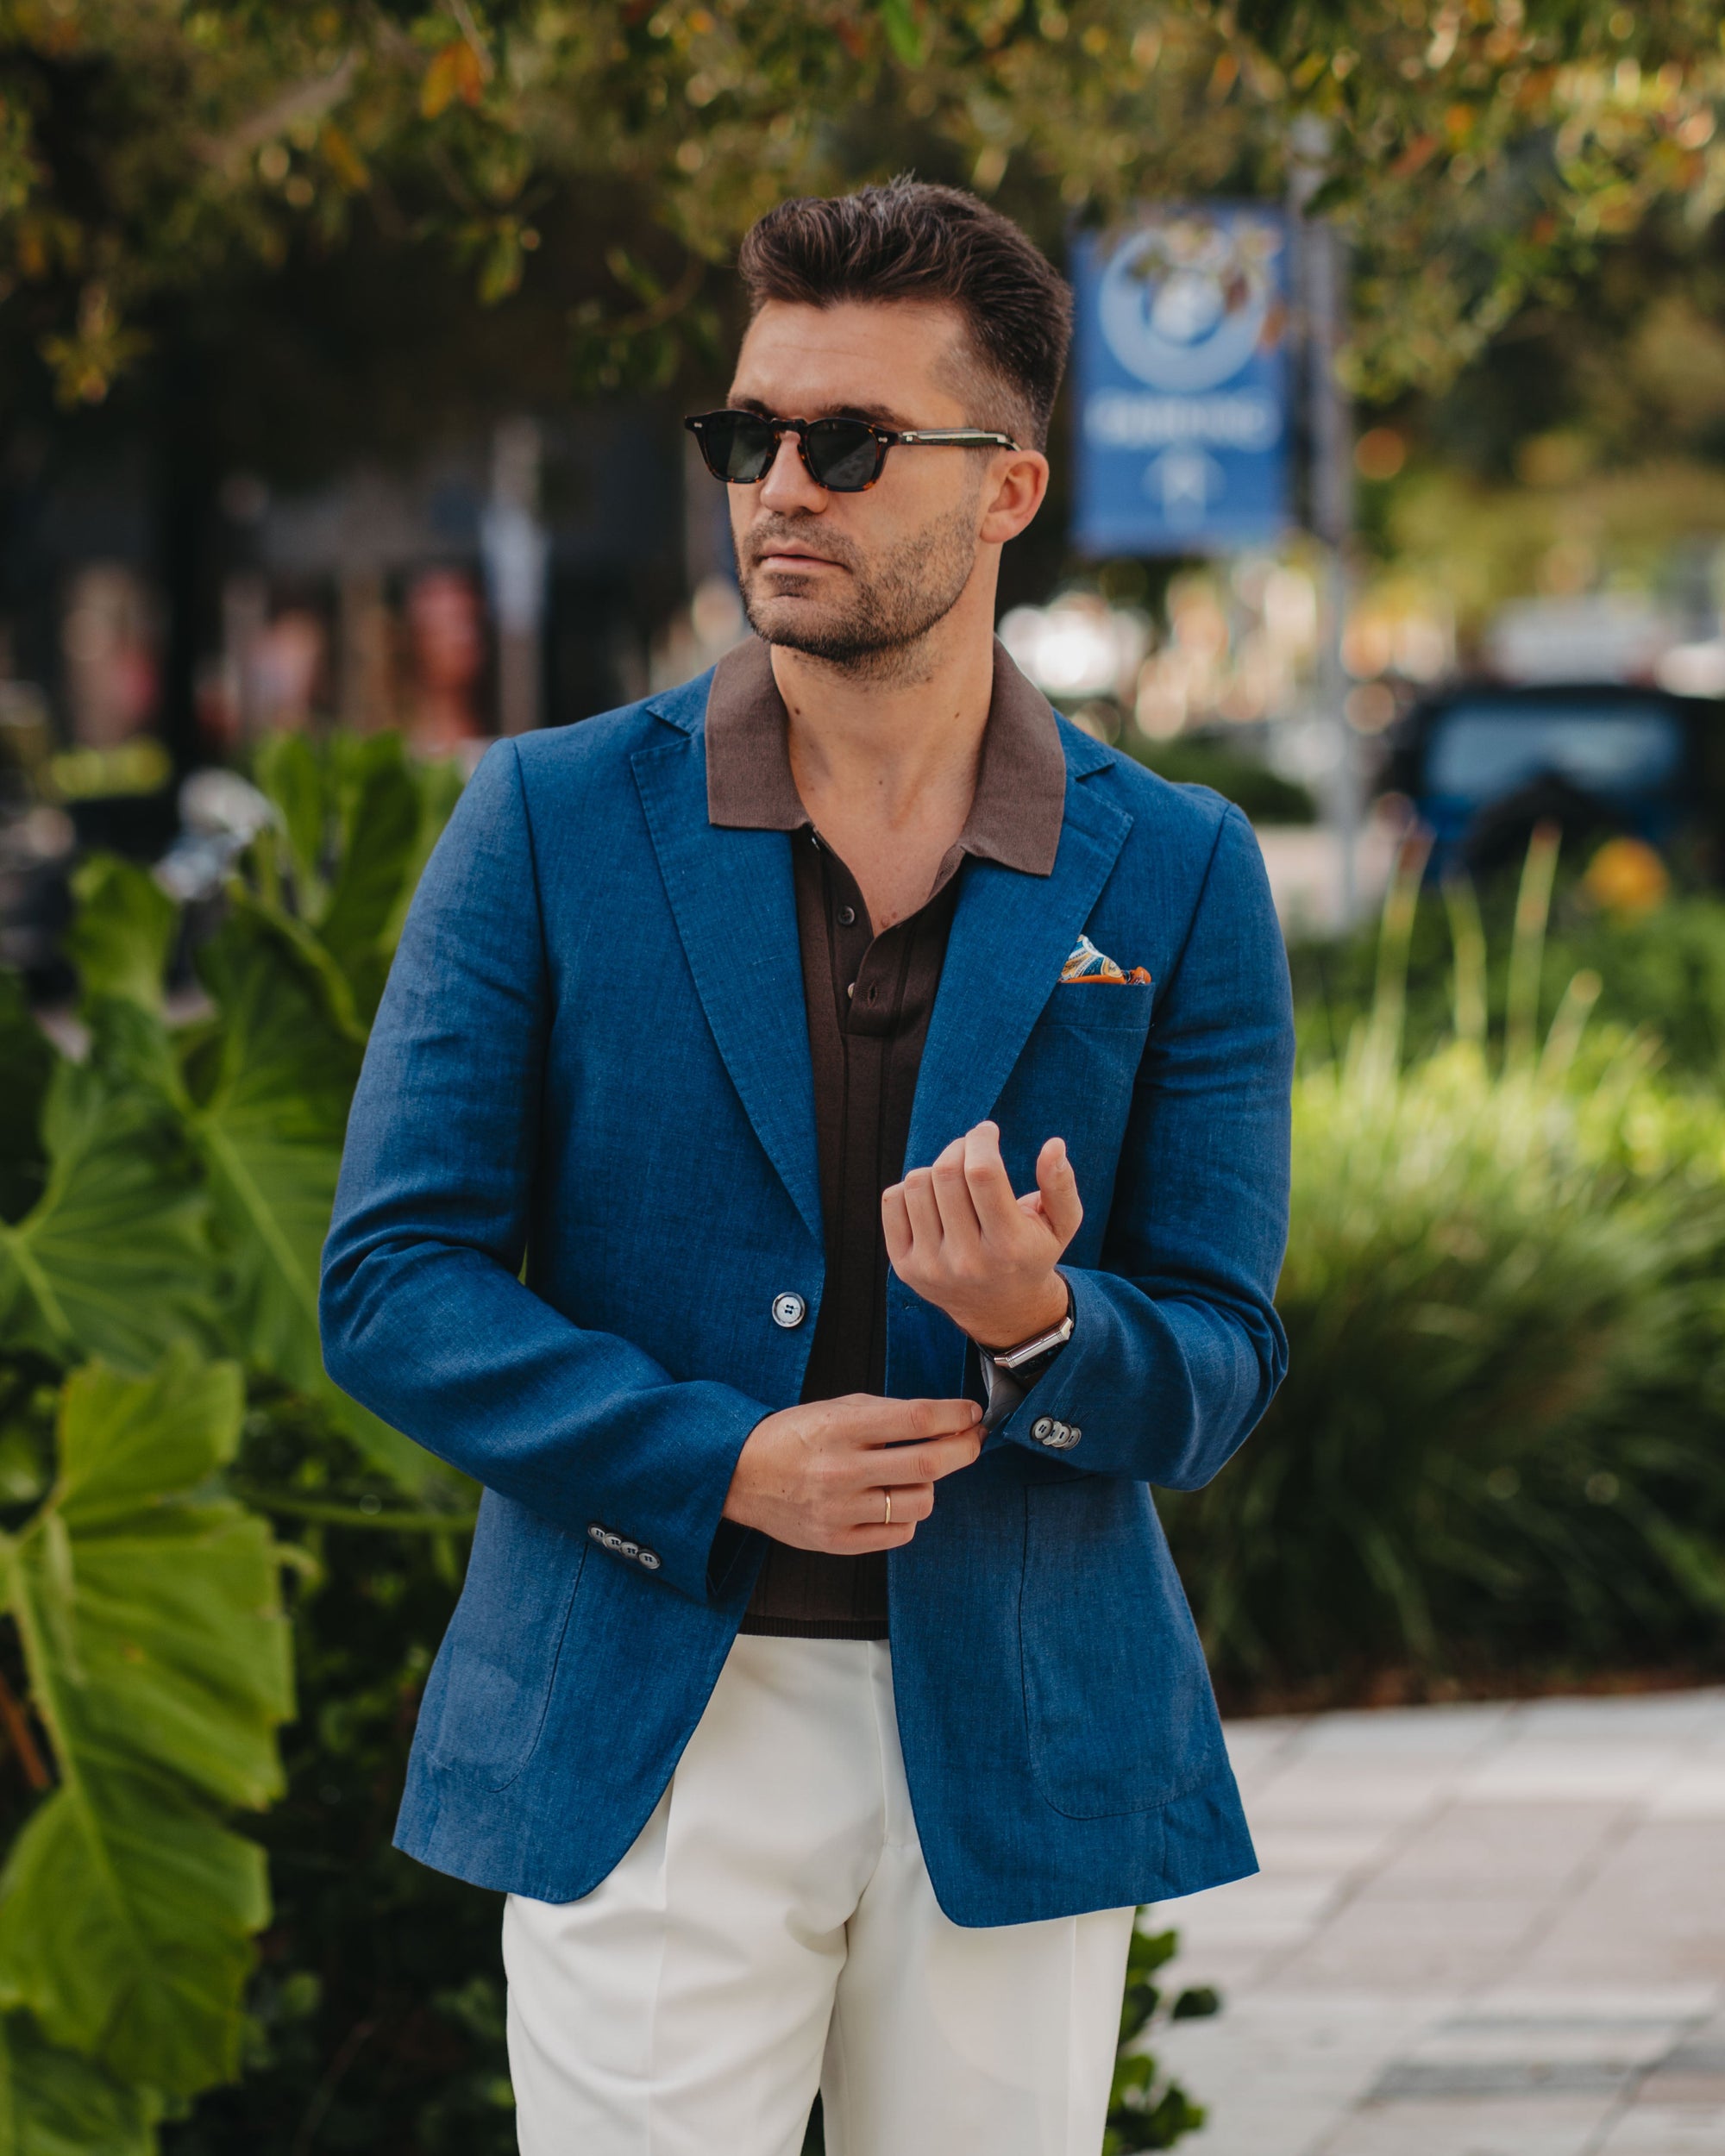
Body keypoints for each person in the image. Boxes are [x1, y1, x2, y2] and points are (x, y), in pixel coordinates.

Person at [321, 177, 1294, 2156]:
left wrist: (1043, 1327)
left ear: (1005, 488)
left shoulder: (1177, 863)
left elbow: (1217, 1357)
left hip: (1017, 1731)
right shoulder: (550, 817)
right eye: (746, 436)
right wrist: (719, 1459)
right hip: (649, 1708)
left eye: (846, 445)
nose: (780, 485)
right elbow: (394, 1277)